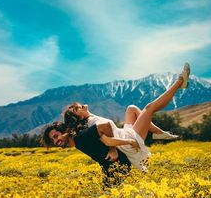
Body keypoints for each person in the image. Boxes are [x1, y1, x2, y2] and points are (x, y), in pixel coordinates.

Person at [43, 63, 190, 172]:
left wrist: (84, 110)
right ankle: (179, 83)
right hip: (127, 139)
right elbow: (106, 140)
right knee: (149, 108)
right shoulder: (88, 125)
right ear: (77, 116)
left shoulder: (89, 116)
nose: (81, 106)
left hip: (123, 132)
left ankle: (158, 134)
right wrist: (125, 143)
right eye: (77, 108)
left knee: (131, 108)